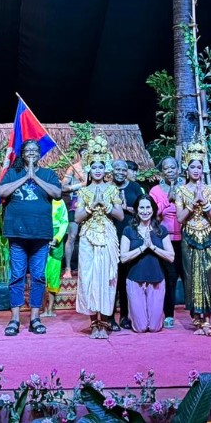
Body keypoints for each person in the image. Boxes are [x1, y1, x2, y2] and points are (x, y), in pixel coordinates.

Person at [0, 138, 62, 336]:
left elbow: (57, 194)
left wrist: (35, 176)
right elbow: (1, 192)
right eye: (28, 150)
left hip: (40, 234)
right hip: (17, 233)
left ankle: (35, 317)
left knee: (39, 276)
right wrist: (26, 177)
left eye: (35, 150)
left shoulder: (48, 174)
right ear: (23, 154)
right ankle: (15, 318)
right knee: (16, 276)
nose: (32, 153)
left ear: (39, 154)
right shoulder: (12, 173)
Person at [74, 135, 124, 339]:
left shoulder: (112, 189)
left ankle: (105, 322)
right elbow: (77, 217)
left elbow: (120, 215)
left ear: (106, 169)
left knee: (106, 279)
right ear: (88, 168)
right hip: (88, 237)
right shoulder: (83, 191)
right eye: (94, 167)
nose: (97, 170)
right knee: (88, 278)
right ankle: (93, 322)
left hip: (107, 235)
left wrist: (107, 204)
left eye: (101, 167)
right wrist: (91, 206)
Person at [175, 136, 211, 336]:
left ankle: (208, 318)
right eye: (192, 166)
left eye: (199, 167)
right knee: (192, 275)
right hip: (190, 236)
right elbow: (180, 218)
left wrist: (206, 202)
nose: (196, 170)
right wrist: (194, 203)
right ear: (187, 168)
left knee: (209, 274)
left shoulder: (210, 189)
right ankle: (196, 317)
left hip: (208, 236)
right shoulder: (181, 190)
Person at [119, 195, 175, 333]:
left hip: (156, 279)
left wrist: (153, 247)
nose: (145, 211)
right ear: (137, 210)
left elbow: (171, 256)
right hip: (135, 279)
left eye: (148, 207)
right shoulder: (129, 230)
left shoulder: (161, 230)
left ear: (153, 209)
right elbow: (123, 257)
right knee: (141, 328)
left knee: (155, 328)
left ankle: (154, 314)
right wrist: (143, 247)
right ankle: (136, 314)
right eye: (141, 208)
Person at [148, 157, 184, 329]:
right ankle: (168, 314)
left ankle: (196, 314)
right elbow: (152, 215)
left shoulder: (186, 187)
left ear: (178, 169)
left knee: (187, 276)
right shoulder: (155, 190)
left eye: (172, 167)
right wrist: (167, 199)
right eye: (166, 168)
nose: (170, 170)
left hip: (185, 239)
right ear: (162, 171)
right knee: (169, 278)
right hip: (165, 240)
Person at [112, 159, 143, 331]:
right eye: (117, 169)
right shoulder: (108, 187)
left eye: (124, 170)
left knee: (126, 279)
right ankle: (109, 317)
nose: (121, 172)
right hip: (111, 237)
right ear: (112, 170)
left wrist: (126, 208)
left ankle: (125, 315)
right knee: (112, 280)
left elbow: (143, 210)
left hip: (130, 236)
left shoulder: (134, 187)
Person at [61, 148, 87, 280]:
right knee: (71, 236)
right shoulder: (73, 168)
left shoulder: (96, 168)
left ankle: (87, 267)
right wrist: (80, 185)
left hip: (92, 204)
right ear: (80, 154)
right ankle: (68, 268)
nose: (87, 155)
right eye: (85, 153)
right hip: (75, 203)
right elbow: (63, 187)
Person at [41, 199, 70, 317]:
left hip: (56, 236)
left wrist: (57, 237)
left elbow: (64, 222)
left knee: (53, 276)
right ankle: (43, 309)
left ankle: (50, 309)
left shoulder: (60, 201)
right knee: (41, 275)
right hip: (41, 235)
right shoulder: (40, 198)